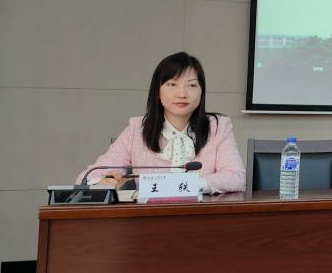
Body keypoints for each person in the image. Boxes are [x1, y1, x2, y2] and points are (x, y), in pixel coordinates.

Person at [76, 52, 245, 194]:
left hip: (202, 217)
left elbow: (236, 177)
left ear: (202, 92)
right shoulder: (137, 129)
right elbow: (88, 176)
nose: (182, 94)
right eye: (172, 84)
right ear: (157, 91)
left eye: (192, 85)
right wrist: (101, 182)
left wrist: (188, 185)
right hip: (149, 218)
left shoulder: (218, 127)